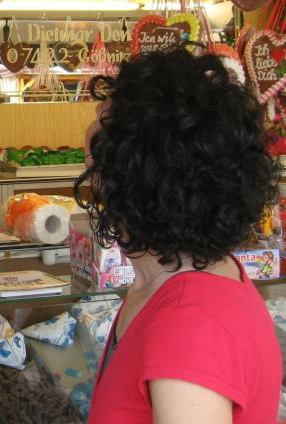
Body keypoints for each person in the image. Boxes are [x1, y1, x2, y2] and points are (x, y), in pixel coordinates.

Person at [75, 48, 282, 424]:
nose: (89, 153)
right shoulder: (174, 285)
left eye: (103, 133)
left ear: (136, 173)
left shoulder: (189, 326)